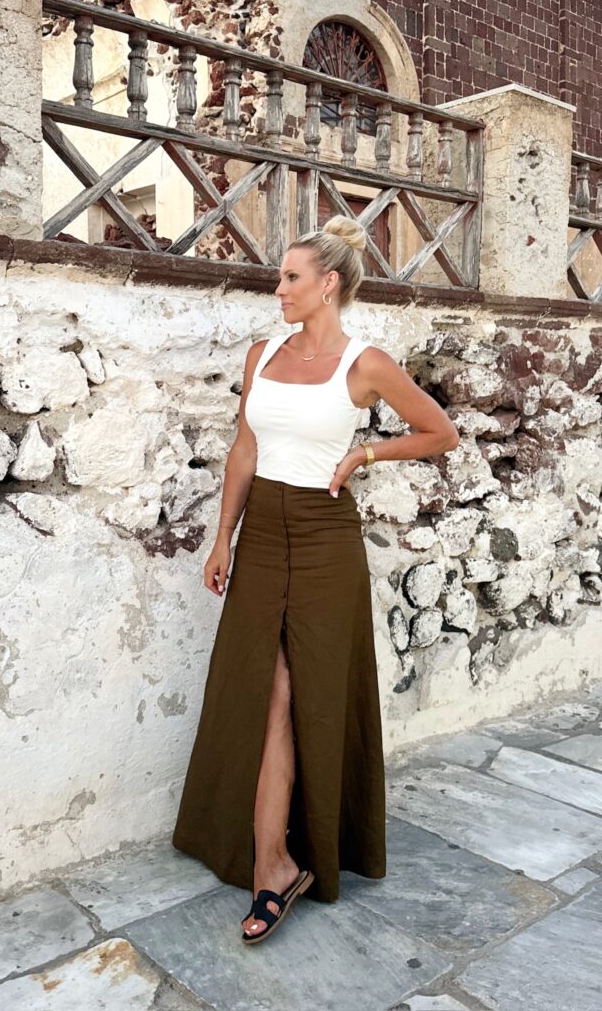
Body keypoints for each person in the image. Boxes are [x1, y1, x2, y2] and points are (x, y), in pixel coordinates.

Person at [171, 215, 461, 944]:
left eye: (290, 278)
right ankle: (272, 861)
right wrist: (222, 539)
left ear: (328, 283)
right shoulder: (262, 353)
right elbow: (244, 447)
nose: (279, 290)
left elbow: (440, 432)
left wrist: (366, 458)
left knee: (303, 694)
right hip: (263, 531)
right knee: (263, 691)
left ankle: (285, 862)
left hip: (327, 538)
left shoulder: (365, 364)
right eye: (280, 278)